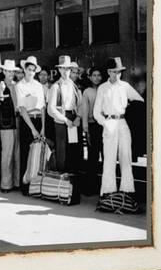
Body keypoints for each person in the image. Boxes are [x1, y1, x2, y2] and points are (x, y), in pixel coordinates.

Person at [93, 57, 144, 197]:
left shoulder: (125, 86)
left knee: (125, 157)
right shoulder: (103, 88)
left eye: (119, 72)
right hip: (109, 123)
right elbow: (96, 112)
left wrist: (130, 108)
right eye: (114, 72)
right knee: (109, 159)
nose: (117, 75)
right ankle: (108, 192)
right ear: (109, 72)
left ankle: (127, 191)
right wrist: (105, 123)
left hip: (122, 123)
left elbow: (140, 100)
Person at [15, 56, 46, 194]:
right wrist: (33, 129)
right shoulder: (19, 86)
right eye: (29, 69)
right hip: (27, 122)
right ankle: (25, 186)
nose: (31, 72)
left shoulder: (39, 86)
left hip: (39, 119)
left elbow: (43, 107)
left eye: (33, 70)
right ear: (24, 69)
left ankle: (36, 185)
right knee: (26, 153)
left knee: (38, 153)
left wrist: (43, 127)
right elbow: (22, 109)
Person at [47, 55, 83, 174]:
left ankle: (72, 183)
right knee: (61, 150)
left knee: (73, 149)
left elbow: (80, 104)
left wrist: (78, 117)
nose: (66, 71)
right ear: (59, 70)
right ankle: (61, 181)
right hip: (61, 120)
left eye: (68, 69)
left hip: (73, 118)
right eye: (63, 69)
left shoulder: (74, 86)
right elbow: (51, 109)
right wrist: (65, 120)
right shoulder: (55, 87)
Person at [0, 58, 20, 192]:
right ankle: (6, 184)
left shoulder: (16, 85)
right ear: (4, 71)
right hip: (6, 123)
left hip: (18, 121)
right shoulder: (0, 84)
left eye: (12, 71)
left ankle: (16, 182)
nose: (10, 73)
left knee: (17, 153)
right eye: (8, 71)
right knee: (7, 154)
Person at [81, 66, 104, 194]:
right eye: (94, 75)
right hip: (92, 126)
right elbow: (84, 110)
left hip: (104, 126)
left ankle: (105, 187)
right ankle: (91, 186)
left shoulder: (105, 88)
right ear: (90, 77)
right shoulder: (87, 92)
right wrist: (85, 127)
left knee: (106, 155)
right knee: (93, 156)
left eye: (99, 75)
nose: (97, 78)